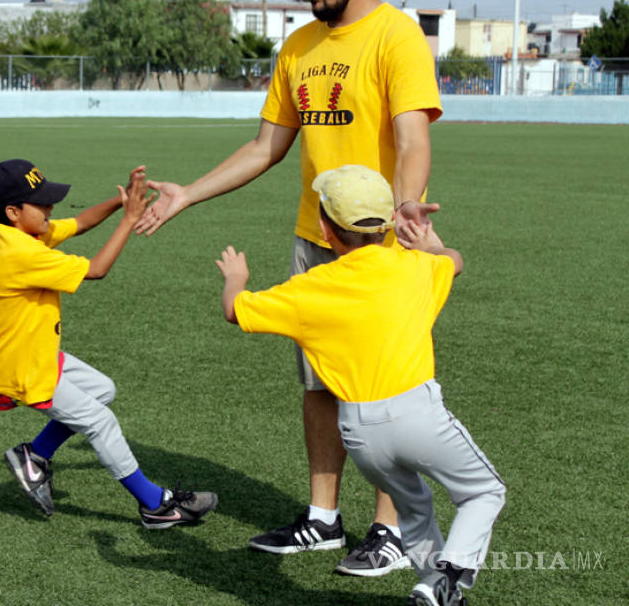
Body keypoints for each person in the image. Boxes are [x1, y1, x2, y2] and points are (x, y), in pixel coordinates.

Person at [134, 0, 443, 576]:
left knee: (385, 389)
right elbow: (266, 145)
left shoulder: (396, 36)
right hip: (315, 238)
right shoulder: (299, 45)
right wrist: (188, 193)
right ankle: (323, 519)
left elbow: (411, 138)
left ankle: (391, 527)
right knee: (319, 383)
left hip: (380, 244)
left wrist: (404, 211)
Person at [215, 164, 505, 606]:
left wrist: (236, 277)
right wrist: (432, 242)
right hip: (417, 414)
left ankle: (435, 592)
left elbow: (236, 311)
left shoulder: (309, 288)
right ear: (388, 223)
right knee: (484, 492)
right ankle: (446, 578)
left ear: (325, 231)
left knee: (415, 508)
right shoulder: (415, 268)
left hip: (359, 431)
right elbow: (454, 261)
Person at [0, 158, 217, 529]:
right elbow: (96, 269)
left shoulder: (22, 235)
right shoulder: (20, 254)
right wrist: (129, 219)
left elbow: (81, 222)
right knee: (100, 421)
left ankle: (35, 457)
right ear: (13, 212)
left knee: (102, 390)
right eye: (40, 203)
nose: (50, 208)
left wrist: (121, 201)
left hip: (34, 355)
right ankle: (156, 505)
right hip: (23, 367)